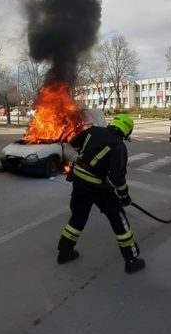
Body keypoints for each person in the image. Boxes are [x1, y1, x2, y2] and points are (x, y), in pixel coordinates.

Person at [57, 113, 146, 274]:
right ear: (126, 131)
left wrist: (83, 158)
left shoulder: (94, 130)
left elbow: (73, 144)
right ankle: (131, 260)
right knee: (119, 220)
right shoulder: (119, 146)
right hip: (98, 187)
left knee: (78, 217)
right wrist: (124, 196)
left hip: (78, 180)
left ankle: (64, 251)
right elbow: (118, 177)